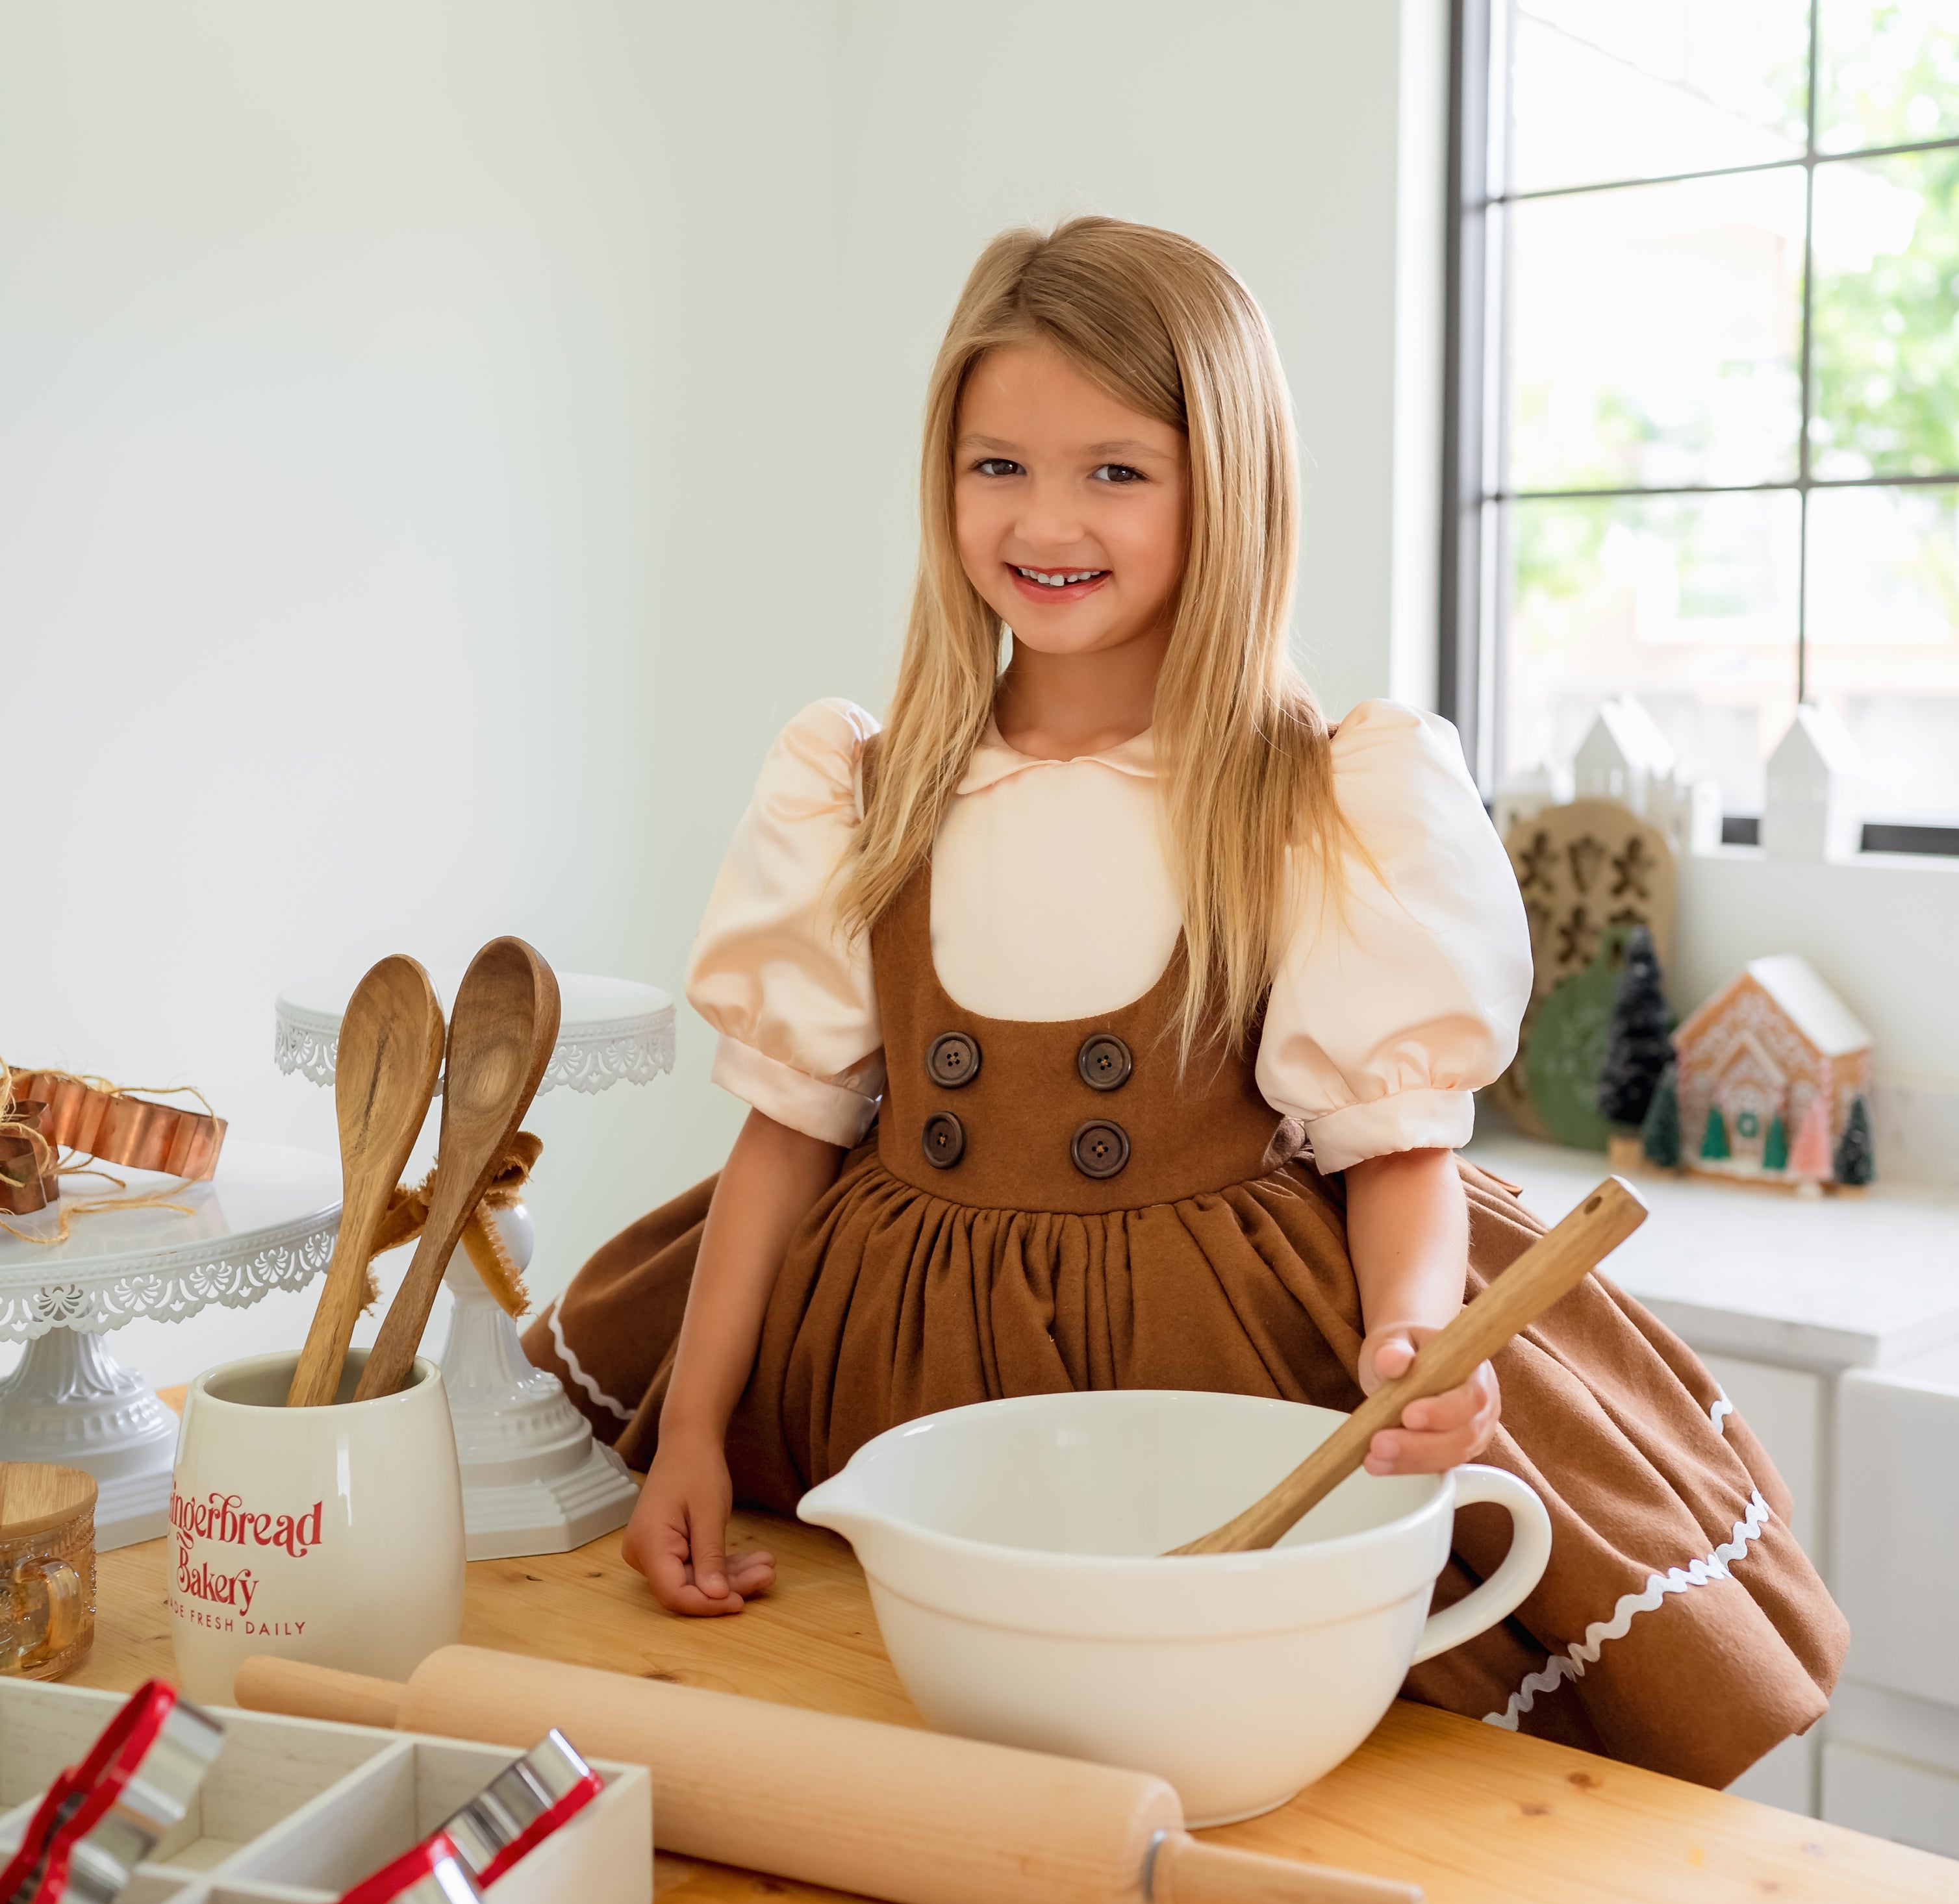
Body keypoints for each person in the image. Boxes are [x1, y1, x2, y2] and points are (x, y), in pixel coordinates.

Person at [524, 218, 1845, 1787]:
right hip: (890, 1361)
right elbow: (783, 1135)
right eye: (994, 464)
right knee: (890, 1733)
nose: (1044, 517)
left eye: (1114, 470)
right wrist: (689, 1427)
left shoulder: (1318, 796)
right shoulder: (858, 787)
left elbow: (1392, 1149)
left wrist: (1416, 1331)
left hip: (1216, 1363)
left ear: (1225, 483)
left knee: (1232, 1755)